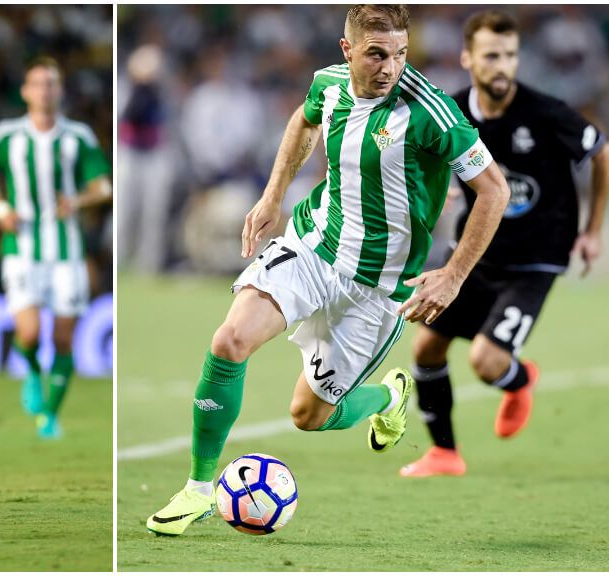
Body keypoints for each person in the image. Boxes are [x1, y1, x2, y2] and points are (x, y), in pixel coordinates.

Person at [146, 4, 512, 536]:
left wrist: (453, 275)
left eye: (400, 54)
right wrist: (272, 195)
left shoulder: (431, 112)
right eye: (377, 54)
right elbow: (304, 120)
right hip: (314, 246)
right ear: (348, 50)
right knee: (229, 341)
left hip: (377, 287)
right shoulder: (330, 84)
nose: (390, 67)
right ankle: (199, 490)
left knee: (308, 416)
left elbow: (494, 190)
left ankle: (389, 396)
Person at [400, 10, 609, 478]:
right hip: (478, 255)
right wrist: (440, 185)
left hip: (536, 260)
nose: (503, 66)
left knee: (486, 360)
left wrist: (594, 230)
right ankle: (445, 454)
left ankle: (519, 380)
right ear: (467, 58)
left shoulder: (545, 112)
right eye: (491, 56)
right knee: (426, 348)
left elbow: (603, 153)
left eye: (510, 56)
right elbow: (425, 160)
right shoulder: (452, 112)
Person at [0, 56, 112, 439]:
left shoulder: (78, 136)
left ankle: (50, 415)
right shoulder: (7, 134)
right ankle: (33, 374)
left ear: (60, 90)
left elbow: (103, 186)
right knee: (30, 333)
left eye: (51, 83)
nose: (44, 90)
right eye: (37, 83)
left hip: (67, 252)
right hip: (21, 248)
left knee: (63, 338)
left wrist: (78, 201)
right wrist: (0, 209)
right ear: (25, 91)